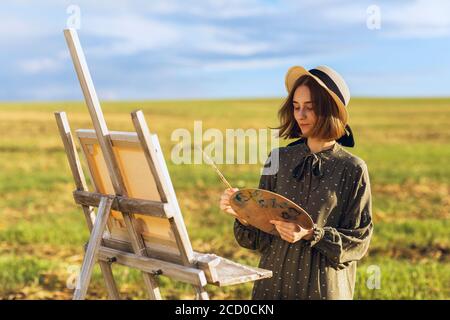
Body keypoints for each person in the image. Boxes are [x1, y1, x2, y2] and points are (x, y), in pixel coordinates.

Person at [219, 65, 373, 300]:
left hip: (323, 288)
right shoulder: (278, 159)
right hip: (272, 287)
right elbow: (258, 239)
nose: (300, 115)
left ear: (330, 112)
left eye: (309, 108)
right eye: (296, 107)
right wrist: (243, 213)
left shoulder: (352, 169)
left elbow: (359, 241)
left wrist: (313, 234)